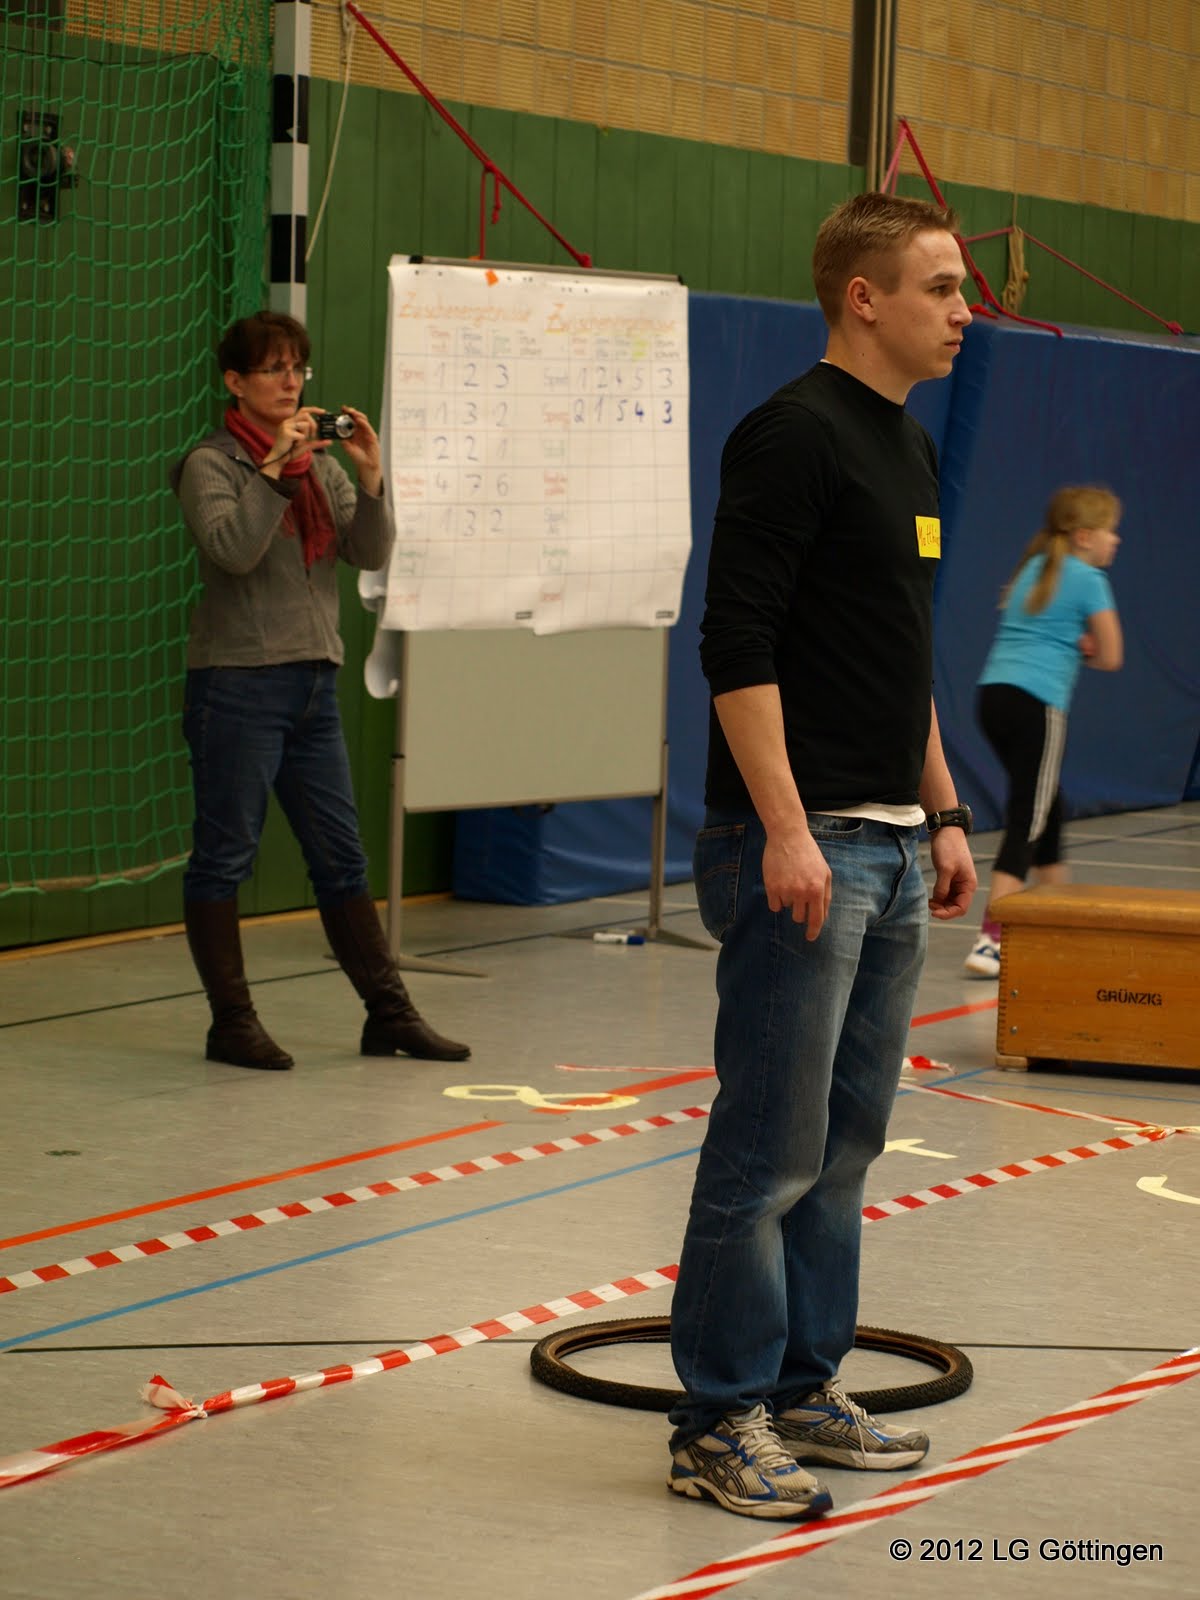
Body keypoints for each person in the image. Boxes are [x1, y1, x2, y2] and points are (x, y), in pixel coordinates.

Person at [667, 192, 977, 1522]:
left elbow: (899, 656)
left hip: (894, 847)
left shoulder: (908, 446)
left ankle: (803, 1385)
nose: (965, 311)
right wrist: (789, 829)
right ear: (865, 296)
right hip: (804, 849)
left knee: (847, 1147)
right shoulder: (791, 433)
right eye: (942, 288)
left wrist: (944, 813)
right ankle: (716, 1420)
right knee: (769, 1147)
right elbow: (735, 645)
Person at [170, 310, 469, 1070]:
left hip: (311, 683)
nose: (290, 382)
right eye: (272, 369)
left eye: (297, 368)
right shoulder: (210, 464)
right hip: (237, 685)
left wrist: (369, 478)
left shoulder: (320, 464)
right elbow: (234, 549)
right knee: (224, 857)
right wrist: (274, 469)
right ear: (234, 382)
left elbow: (368, 551)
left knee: (342, 859)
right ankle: (231, 1023)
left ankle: (390, 1015)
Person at [964, 486, 1124, 978]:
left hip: (994, 697)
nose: (1115, 541)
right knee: (1029, 818)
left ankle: (1060, 924)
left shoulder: (1035, 566)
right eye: (1110, 531)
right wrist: (1085, 647)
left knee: (1046, 808)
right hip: (1038, 703)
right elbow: (1112, 656)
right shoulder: (1089, 579)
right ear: (1084, 536)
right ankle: (992, 939)